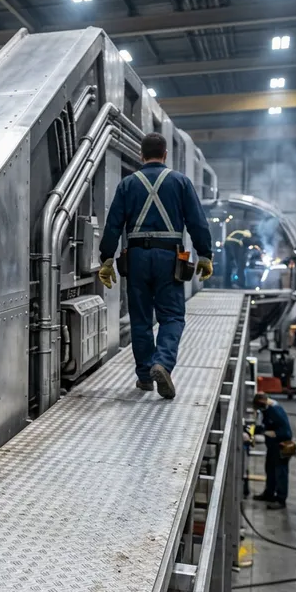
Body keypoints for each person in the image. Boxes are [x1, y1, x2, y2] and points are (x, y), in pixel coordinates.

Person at [98, 132, 213, 399]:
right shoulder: (180, 182)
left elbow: (113, 223)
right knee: (171, 316)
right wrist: (205, 254)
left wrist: (106, 258)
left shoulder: (128, 184)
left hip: (136, 256)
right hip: (169, 257)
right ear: (165, 154)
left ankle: (145, 376)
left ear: (141, 154)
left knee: (140, 319)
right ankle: (162, 363)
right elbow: (197, 221)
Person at [252, 392, 293, 510]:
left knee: (281, 473)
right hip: (272, 447)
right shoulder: (268, 410)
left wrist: (271, 434)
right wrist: (255, 430)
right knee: (269, 469)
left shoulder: (275, 410)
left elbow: (286, 432)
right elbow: (266, 425)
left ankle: (281, 500)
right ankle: (269, 493)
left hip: (281, 446)